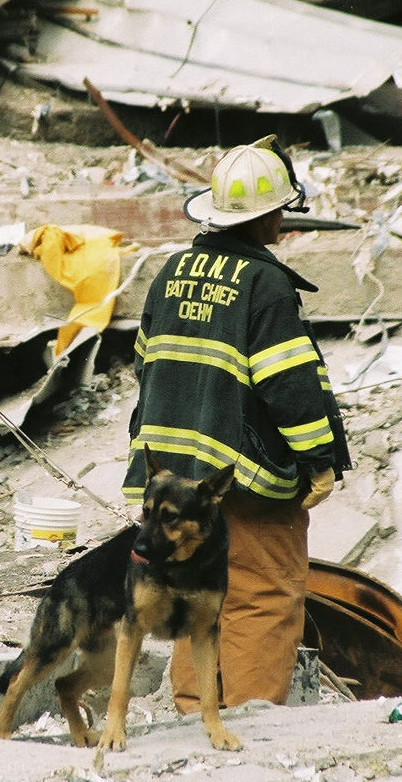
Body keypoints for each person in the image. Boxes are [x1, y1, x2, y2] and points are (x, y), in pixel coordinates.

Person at [122, 136, 351, 713]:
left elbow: (146, 365)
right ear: (266, 214)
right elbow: (288, 384)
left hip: (172, 479)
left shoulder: (171, 272)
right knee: (262, 596)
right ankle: (251, 733)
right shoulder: (265, 284)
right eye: (277, 211)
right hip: (241, 480)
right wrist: (318, 460)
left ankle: (190, 717)